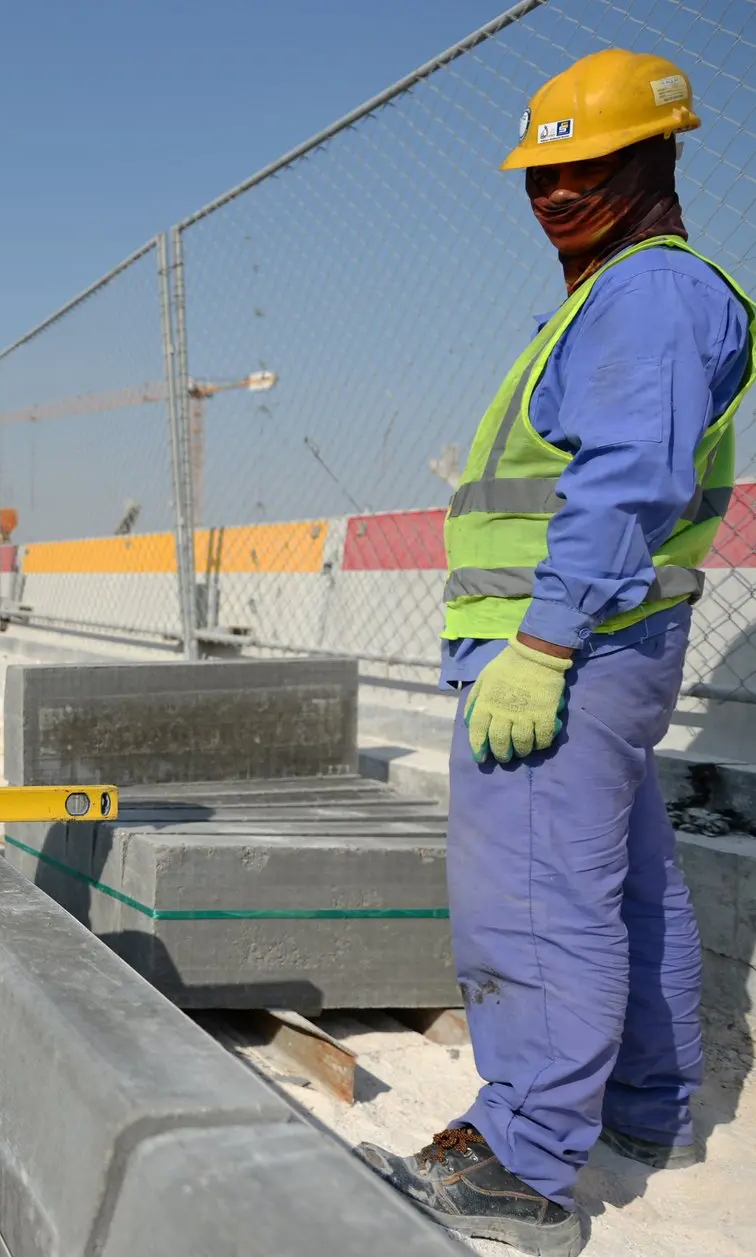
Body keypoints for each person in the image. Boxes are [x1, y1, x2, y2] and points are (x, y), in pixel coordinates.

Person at [358, 51, 751, 1257]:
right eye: (542, 173)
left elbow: (629, 482)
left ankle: (522, 1169)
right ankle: (644, 1115)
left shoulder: (648, 295)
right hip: (595, 648)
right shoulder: (628, 296)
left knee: (533, 905)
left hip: (563, 651)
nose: (557, 192)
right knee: (621, 886)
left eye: (588, 167)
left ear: (658, 158)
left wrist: (541, 640)